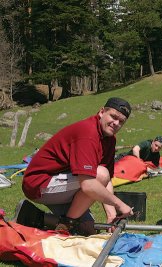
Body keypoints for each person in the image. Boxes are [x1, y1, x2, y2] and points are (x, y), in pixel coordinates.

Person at [16, 97, 134, 236]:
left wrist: (111, 217)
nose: (116, 123)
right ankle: (67, 224)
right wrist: (119, 204)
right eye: (113, 117)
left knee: (87, 229)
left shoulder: (109, 139)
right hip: (38, 183)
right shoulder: (88, 132)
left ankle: (30, 215)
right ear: (102, 112)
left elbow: (106, 180)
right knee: (99, 174)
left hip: (63, 184)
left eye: (121, 122)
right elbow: (89, 184)